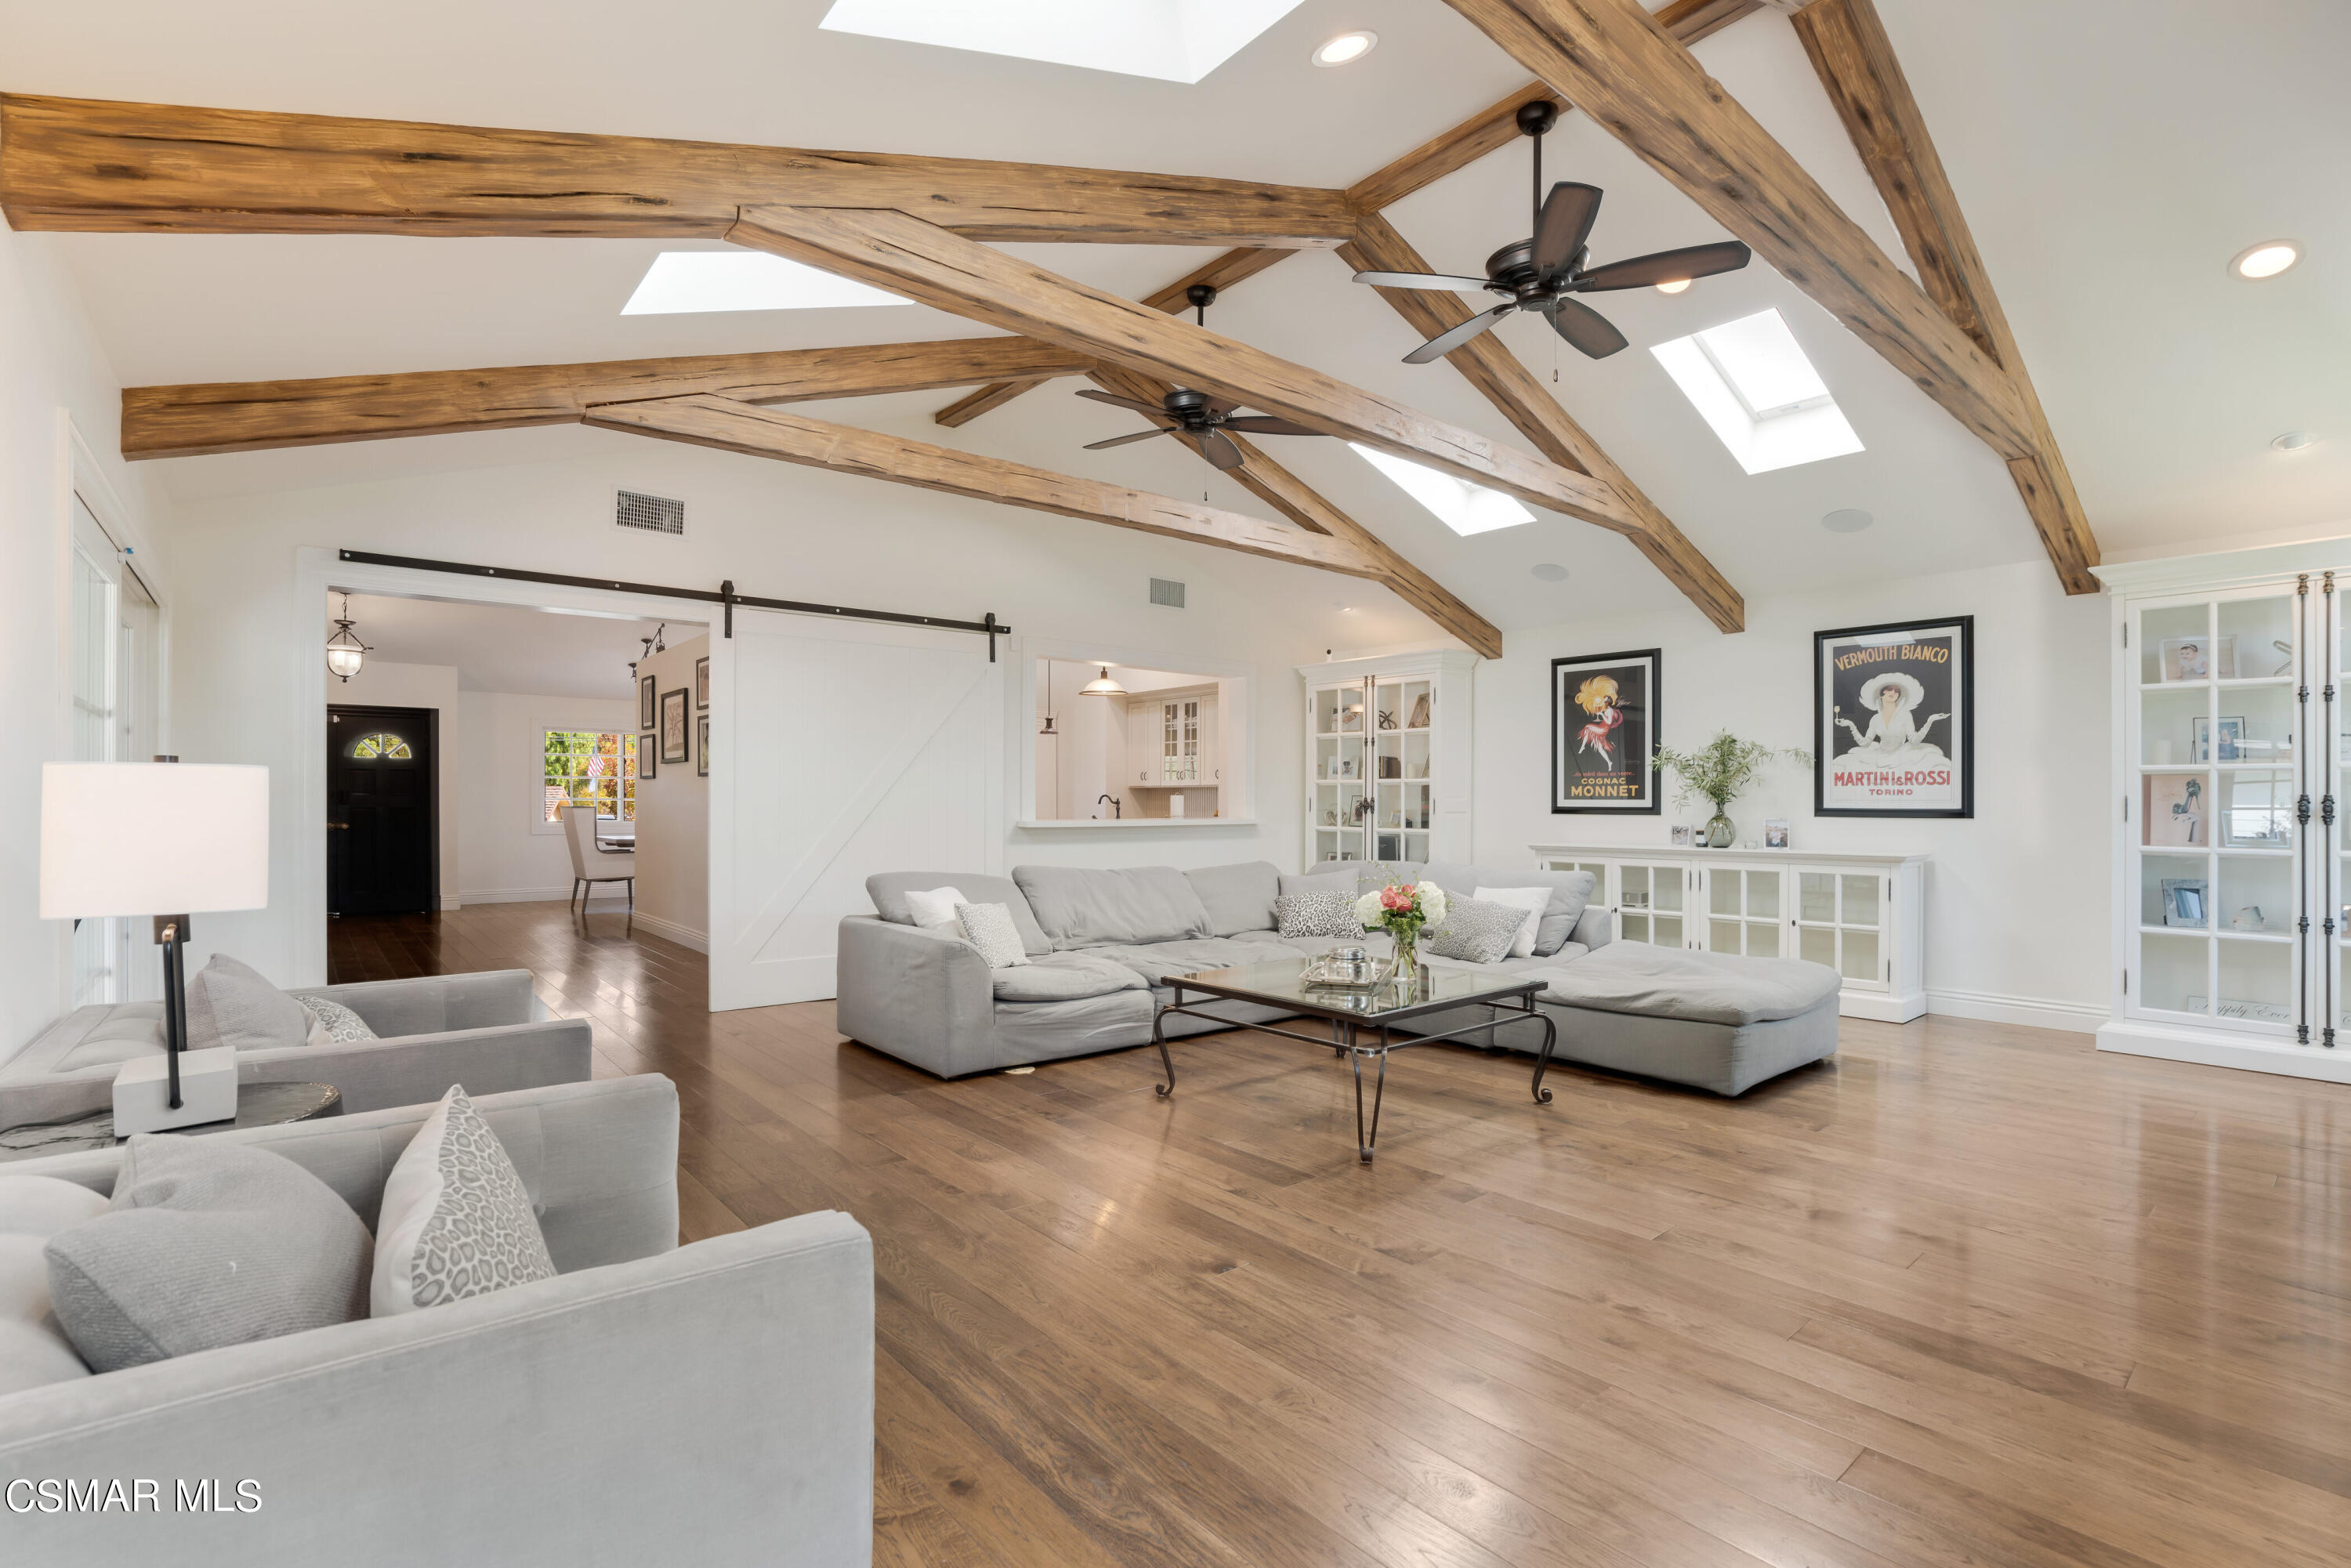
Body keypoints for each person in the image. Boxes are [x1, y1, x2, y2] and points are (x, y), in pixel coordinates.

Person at [1835, 672, 1949, 760]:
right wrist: (1851, 725)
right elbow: (1865, 744)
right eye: (1890, 689)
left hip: (1902, 757)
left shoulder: (1905, 715)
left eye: (1897, 691)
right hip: (1878, 757)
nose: (1893, 693)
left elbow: (1914, 741)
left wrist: (1930, 722)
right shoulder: (1875, 719)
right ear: (1881, 695)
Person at [1574, 675, 1626, 770]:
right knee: (1600, 748)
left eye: (1604, 700)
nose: (1603, 701)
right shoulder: (1607, 709)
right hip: (1602, 727)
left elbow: (1609, 722)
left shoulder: (1609, 710)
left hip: (1603, 729)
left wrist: (1602, 715)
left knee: (1588, 727)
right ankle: (1609, 762)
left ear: (1607, 702)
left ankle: (1583, 746)